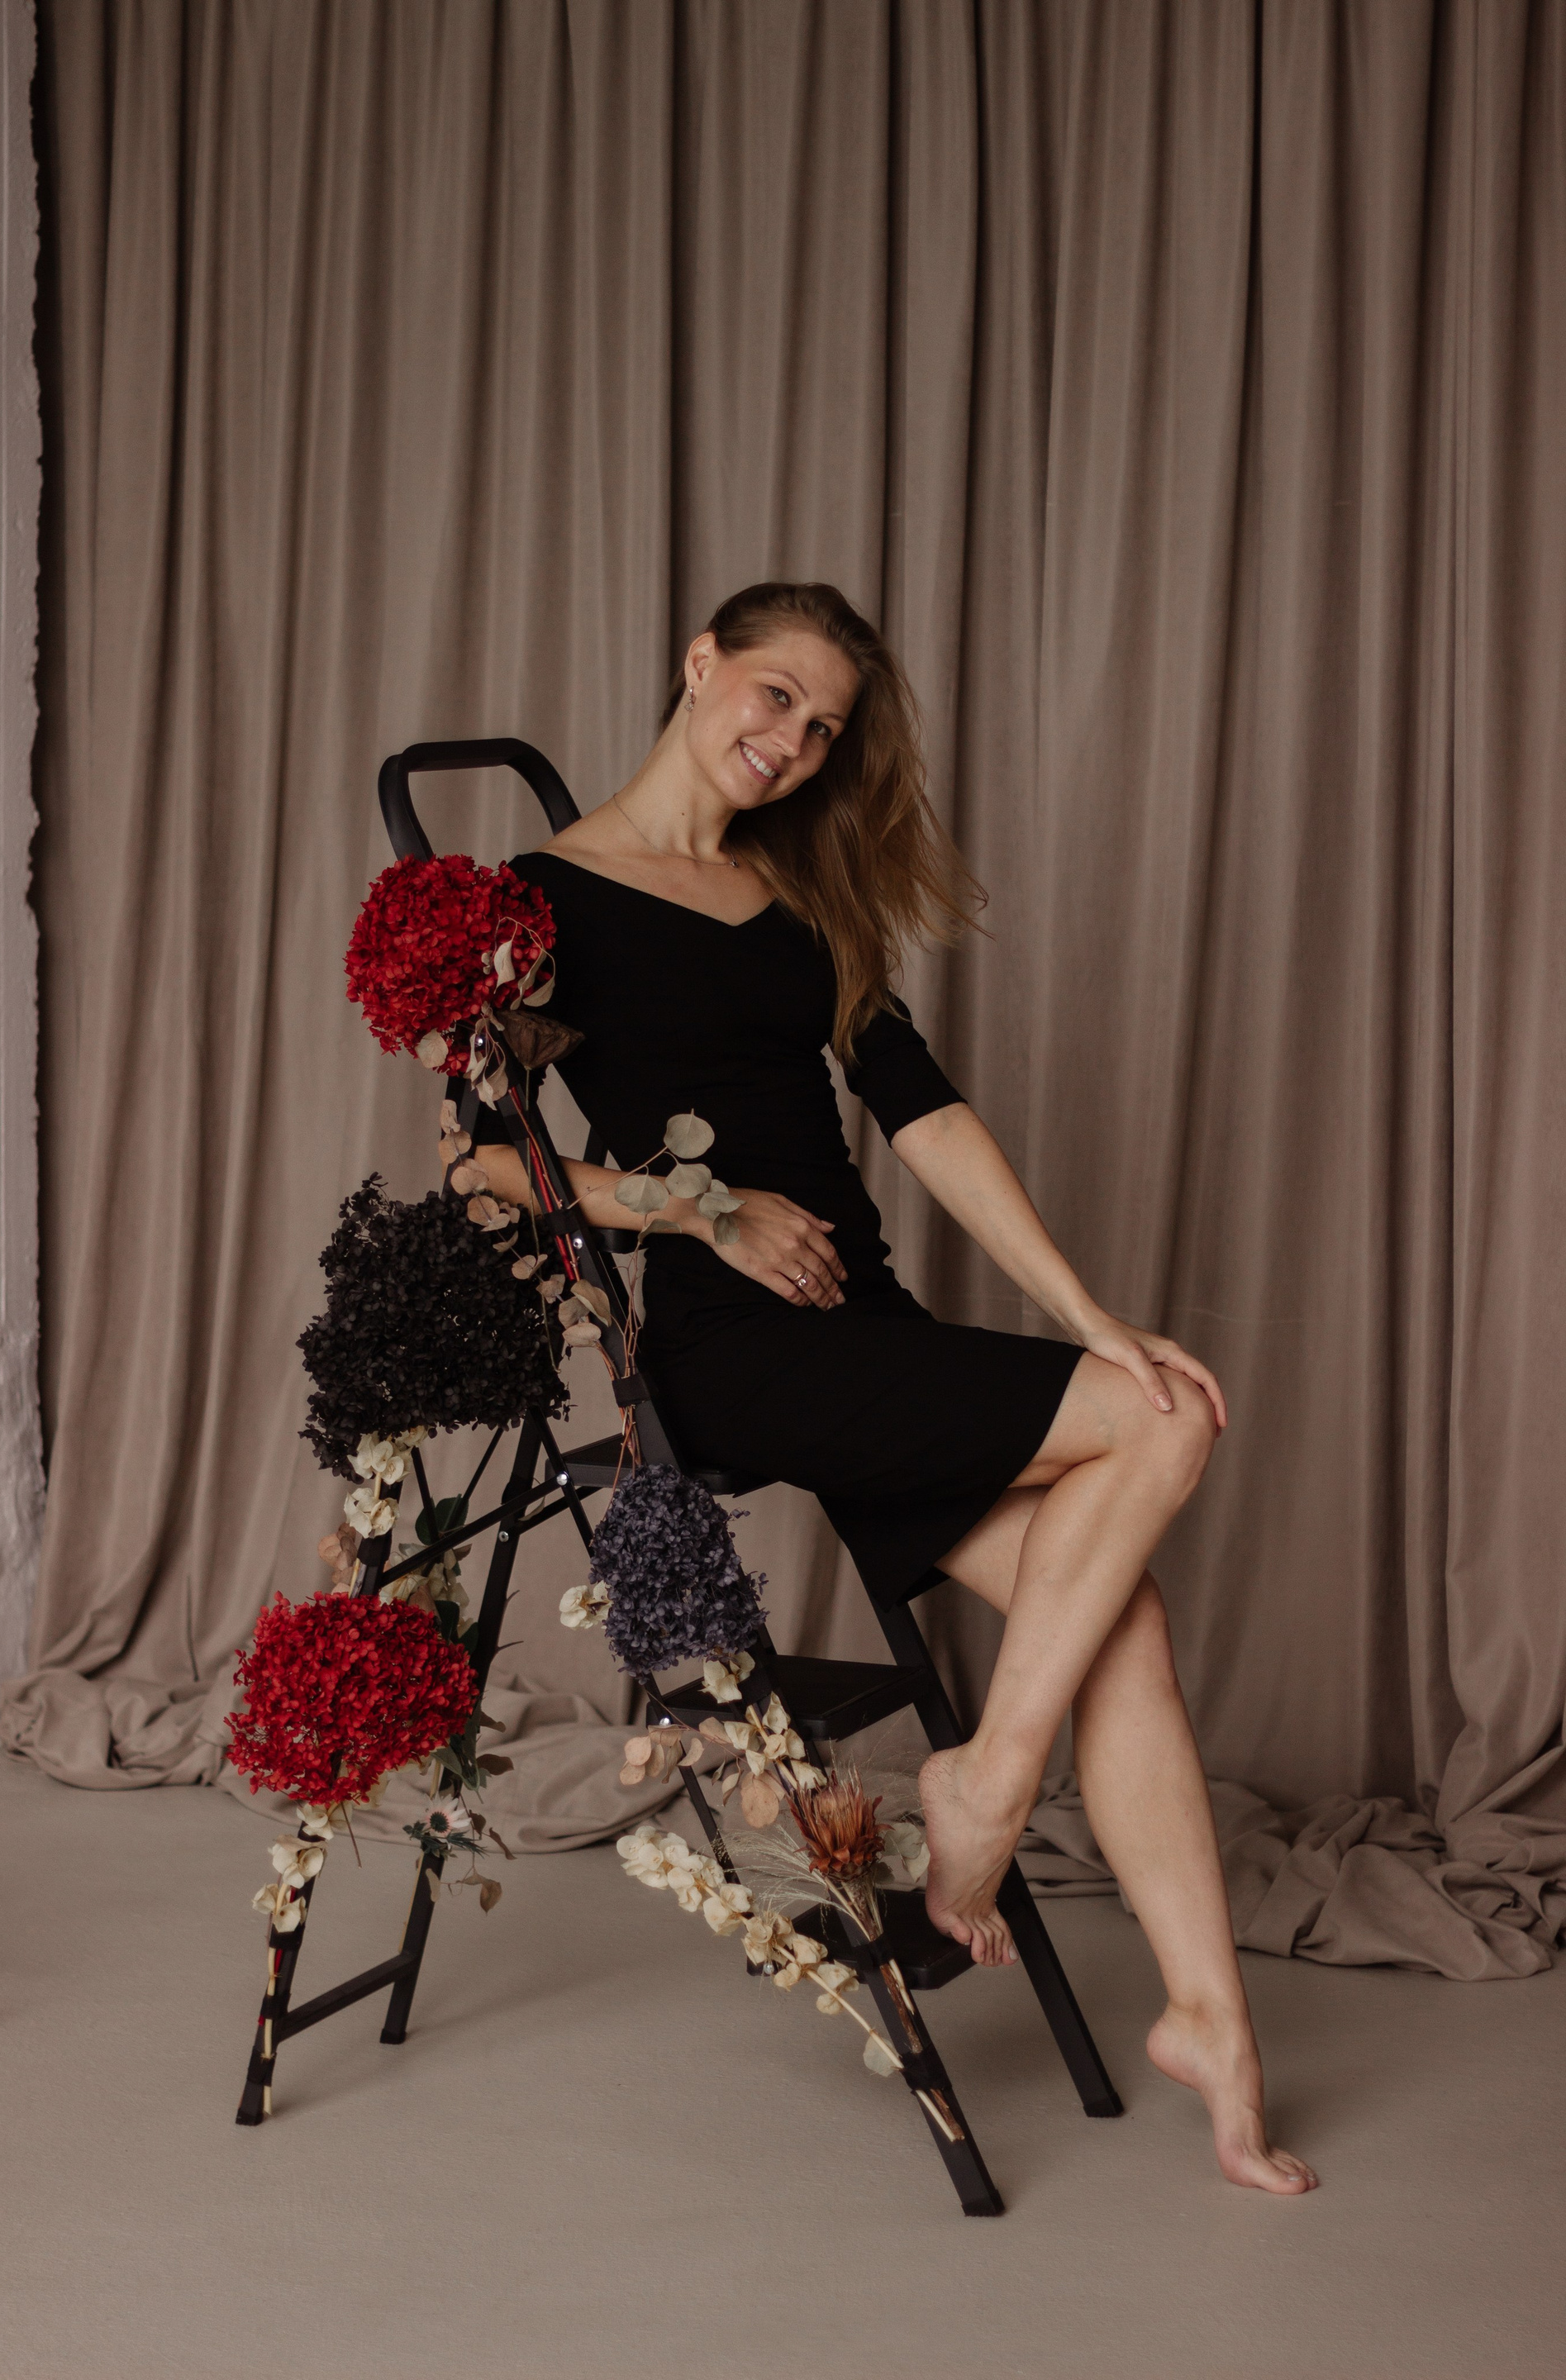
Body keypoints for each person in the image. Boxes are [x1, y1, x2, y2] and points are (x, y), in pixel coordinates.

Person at [464, 579, 1317, 2196]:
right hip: (734, 1352)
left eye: (824, 726)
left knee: (1120, 1609)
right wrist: (697, 1206)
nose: (792, 741)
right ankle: (983, 1788)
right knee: (1162, 1426)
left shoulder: (795, 889)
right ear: (701, 663)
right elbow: (481, 1163)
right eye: (775, 695)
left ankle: (1211, 2024)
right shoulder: (542, 900)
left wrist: (1092, 1315)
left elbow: (922, 1110)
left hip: (872, 1334)